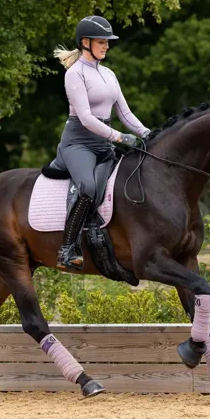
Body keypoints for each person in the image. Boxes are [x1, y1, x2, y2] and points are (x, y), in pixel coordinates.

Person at [51, 15, 152, 270]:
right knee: (87, 186)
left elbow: (125, 114)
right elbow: (85, 118)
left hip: (103, 142)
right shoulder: (75, 74)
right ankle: (67, 249)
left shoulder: (108, 74)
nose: (106, 46)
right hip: (79, 143)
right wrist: (118, 137)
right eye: (102, 41)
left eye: (108, 42)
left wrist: (147, 133)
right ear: (85, 42)